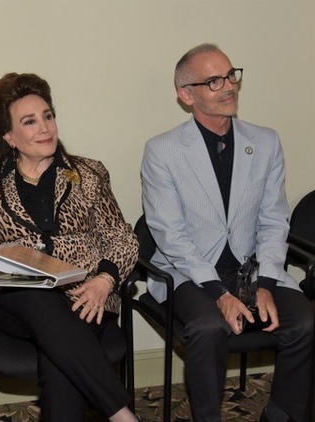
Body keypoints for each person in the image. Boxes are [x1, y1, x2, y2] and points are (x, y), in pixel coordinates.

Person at [0, 72, 139, 422]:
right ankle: (122, 414)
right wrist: (0, 269)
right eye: (29, 122)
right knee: (35, 295)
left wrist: (104, 280)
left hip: (85, 295)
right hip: (18, 302)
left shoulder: (89, 174)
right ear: (9, 136)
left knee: (60, 360)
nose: (44, 128)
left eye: (48, 116)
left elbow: (122, 236)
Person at [140, 43, 314, 422]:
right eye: (213, 80)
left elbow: (273, 219)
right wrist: (219, 293)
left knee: (305, 322)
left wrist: (266, 282)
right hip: (188, 271)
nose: (229, 86)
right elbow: (171, 236)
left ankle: (283, 415)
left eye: (231, 75)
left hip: (253, 268)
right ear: (187, 96)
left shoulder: (265, 142)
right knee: (207, 327)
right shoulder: (163, 151)